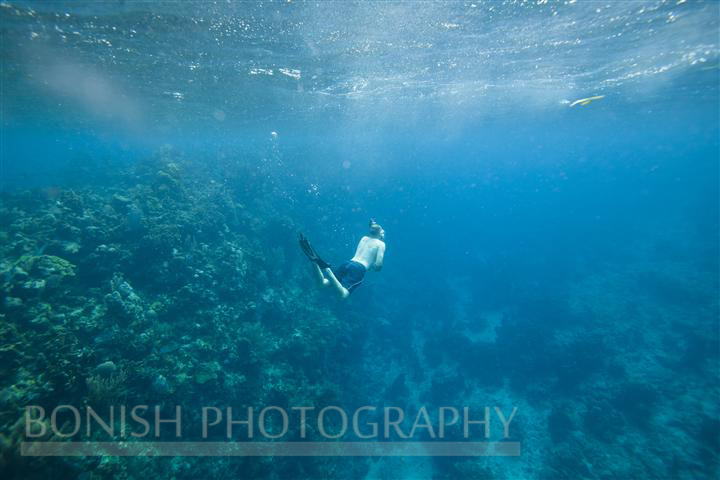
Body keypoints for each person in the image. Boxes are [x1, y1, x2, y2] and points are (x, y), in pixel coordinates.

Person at [299, 219, 385, 298]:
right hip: (359, 269)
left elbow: (373, 230)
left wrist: (372, 224)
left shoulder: (364, 238)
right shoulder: (381, 244)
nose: (383, 235)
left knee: (322, 283)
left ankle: (314, 262)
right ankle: (327, 269)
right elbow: (378, 265)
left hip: (348, 263)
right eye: (382, 233)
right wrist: (374, 266)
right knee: (343, 295)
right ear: (378, 234)